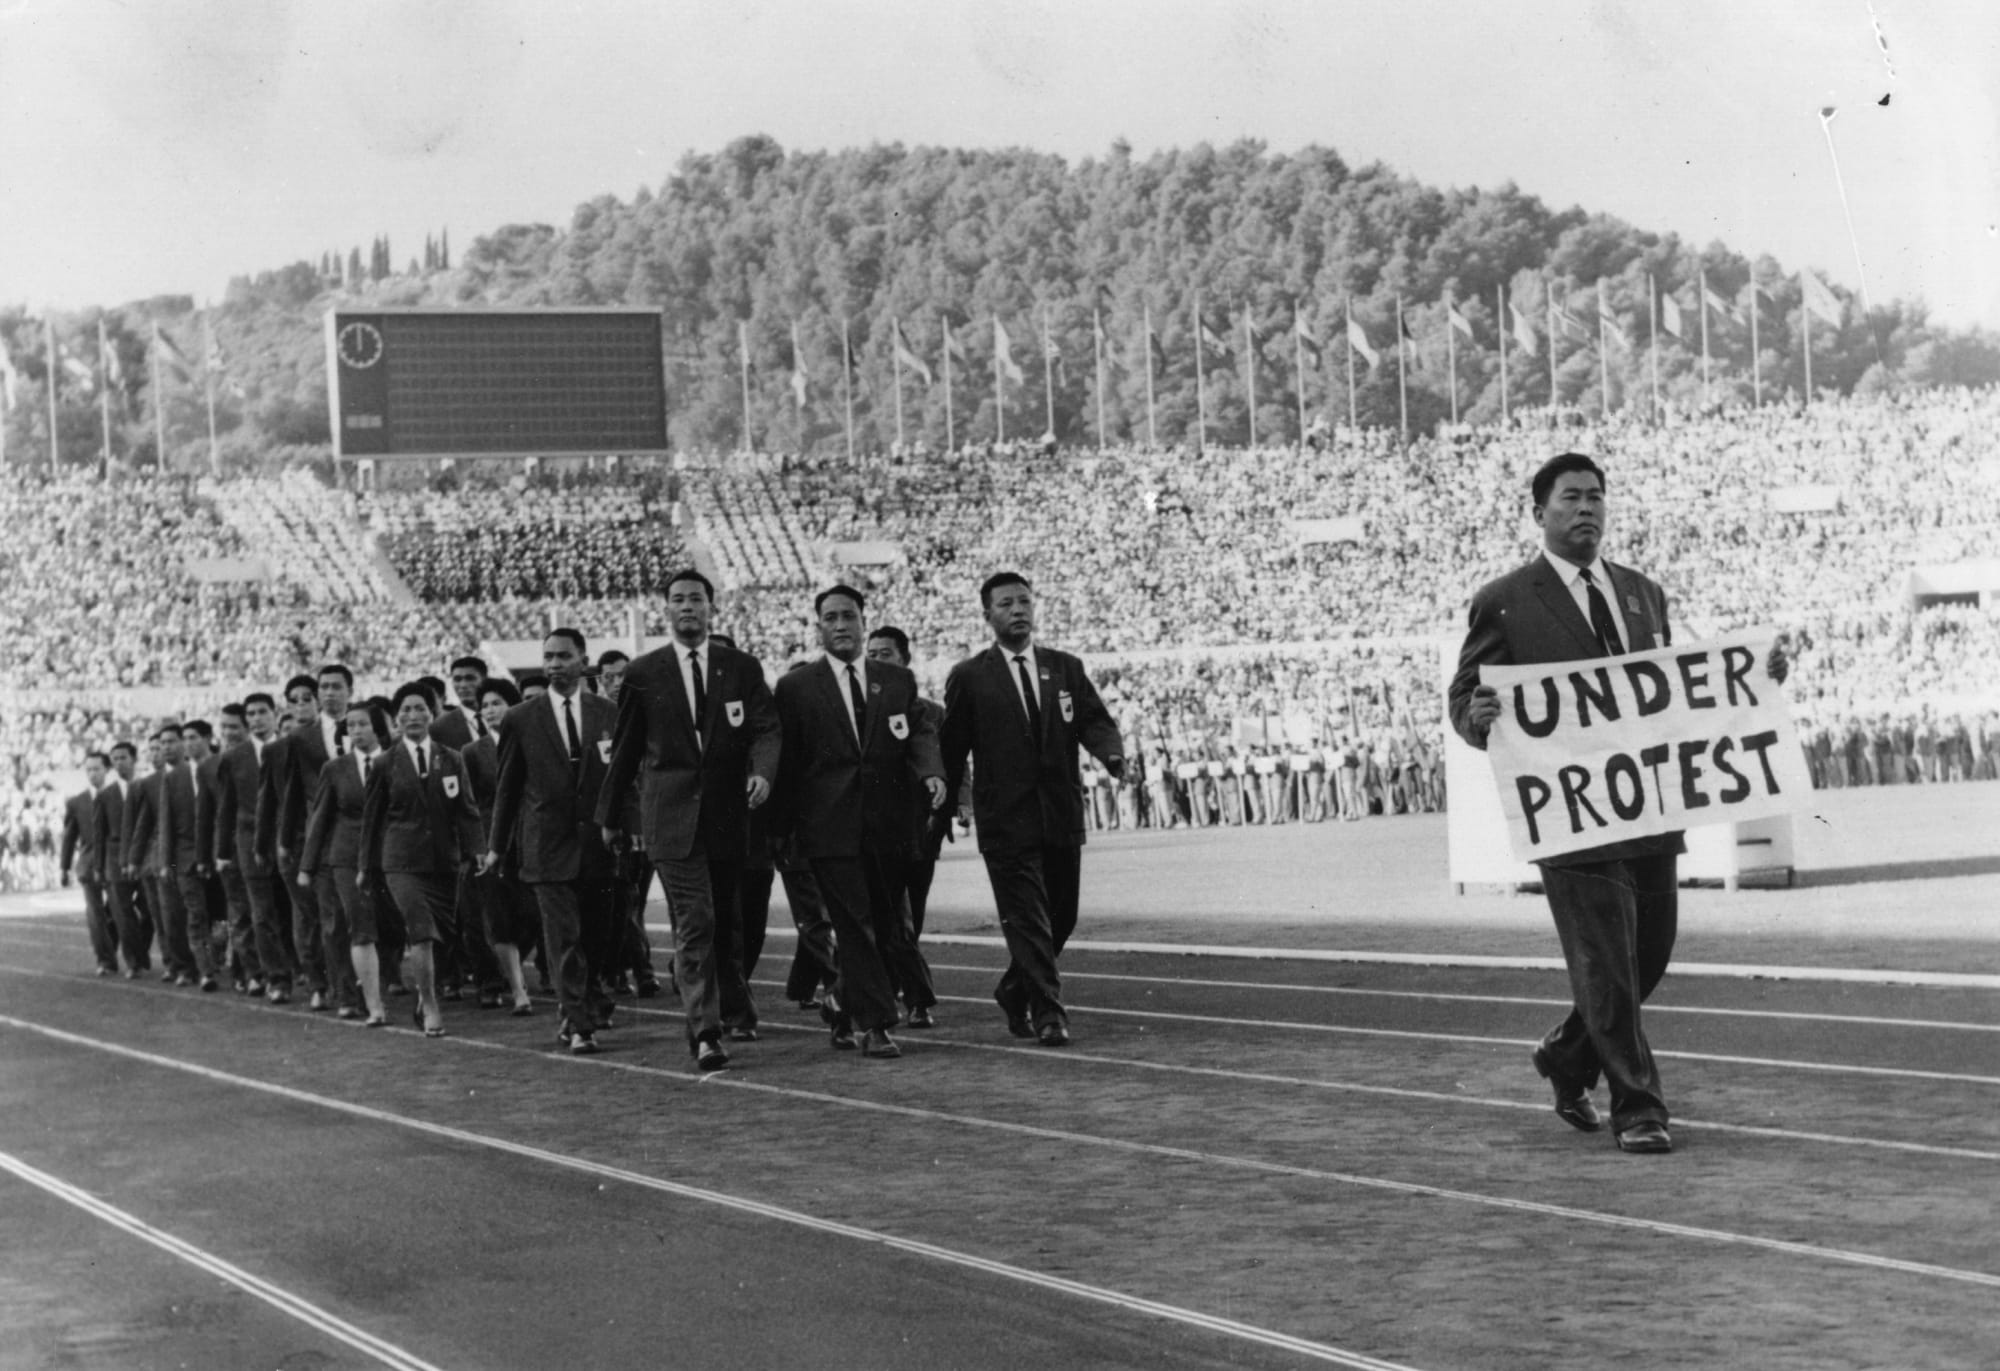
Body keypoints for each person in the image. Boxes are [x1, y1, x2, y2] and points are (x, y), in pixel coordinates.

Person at [1447, 452, 1784, 1157]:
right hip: (1571, 818)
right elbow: (1462, 702)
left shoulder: (1643, 593)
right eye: (1571, 497)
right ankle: (1637, 1107)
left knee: (1649, 951)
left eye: (1596, 496)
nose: (1587, 508)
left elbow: (1675, 692)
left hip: (1647, 809)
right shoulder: (1504, 600)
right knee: (1606, 960)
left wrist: (1752, 676)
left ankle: (1569, 1056)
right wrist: (1479, 716)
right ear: (1539, 511)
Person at [597, 569, 779, 1071]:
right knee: (696, 920)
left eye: (696, 599)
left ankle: (730, 1003)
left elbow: (766, 728)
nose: (687, 608)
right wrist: (610, 816)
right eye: (677, 600)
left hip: (726, 816)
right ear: (666, 610)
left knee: (725, 923)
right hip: (670, 817)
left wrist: (763, 773)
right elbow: (627, 749)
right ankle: (706, 1033)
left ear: (710, 606)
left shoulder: (739, 667)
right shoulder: (643, 672)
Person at [939, 571, 1125, 1047]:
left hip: (1060, 814)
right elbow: (952, 748)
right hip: (1006, 821)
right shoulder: (970, 676)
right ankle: (1048, 1013)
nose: (1018, 610)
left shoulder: (1064, 667)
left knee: (1062, 917)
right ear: (987, 615)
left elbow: (1093, 720)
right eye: (1006, 604)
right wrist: (948, 801)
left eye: (1024, 601)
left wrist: (1112, 755)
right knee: (1028, 920)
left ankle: (1013, 987)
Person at [775, 587, 945, 1059]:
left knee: (890, 927)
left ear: (863, 620)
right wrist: (783, 829)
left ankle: (840, 1002)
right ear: (818, 628)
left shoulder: (896, 680)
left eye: (849, 615)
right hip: (829, 828)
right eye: (831, 618)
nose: (841, 625)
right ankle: (876, 1025)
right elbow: (787, 762)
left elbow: (920, 732)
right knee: (854, 925)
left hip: (890, 825)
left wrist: (932, 773)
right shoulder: (796, 687)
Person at [486, 631, 631, 1054]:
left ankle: (581, 1006)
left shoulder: (609, 713)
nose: (554, 665)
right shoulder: (521, 717)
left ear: (582, 661)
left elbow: (623, 778)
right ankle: (581, 1022)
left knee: (598, 938)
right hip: (546, 847)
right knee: (563, 938)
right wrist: (497, 844)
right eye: (547, 657)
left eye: (563, 657)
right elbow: (508, 788)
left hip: (599, 845)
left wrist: (626, 826)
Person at [360, 681, 482, 1038]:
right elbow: (372, 820)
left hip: (445, 861)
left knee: (442, 936)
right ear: (396, 719)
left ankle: (425, 994)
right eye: (406, 710)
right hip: (401, 862)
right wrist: (366, 868)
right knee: (422, 933)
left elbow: (467, 811)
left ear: (432, 714)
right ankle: (430, 1005)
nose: (413, 716)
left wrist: (477, 851)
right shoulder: (384, 764)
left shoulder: (452, 758)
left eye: (420, 709)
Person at [864, 624, 947, 1023]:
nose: (877, 660)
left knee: (905, 917)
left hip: (917, 832)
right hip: (867, 830)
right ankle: (910, 997)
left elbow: (945, 761)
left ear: (905, 661)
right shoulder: (857, 707)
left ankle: (901, 994)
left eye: (886, 654)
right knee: (885, 918)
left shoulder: (928, 711)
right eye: (872, 653)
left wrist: (955, 801)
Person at [301, 700, 391, 1025]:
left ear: (378, 727)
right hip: (347, 857)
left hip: (392, 854)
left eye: (362, 724)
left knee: (395, 926)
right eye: (350, 726)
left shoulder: (396, 761)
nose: (356, 731)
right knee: (359, 927)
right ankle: (370, 1004)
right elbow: (321, 818)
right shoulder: (335, 769)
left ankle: (386, 987)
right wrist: (307, 866)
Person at [462, 677, 538, 1017]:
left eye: (497, 703)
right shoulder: (472, 753)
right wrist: (480, 845)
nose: (490, 710)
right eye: (486, 705)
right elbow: (468, 805)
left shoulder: (532, 744)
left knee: (532, 917)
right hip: (491, 847)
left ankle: (507, 973)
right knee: (498, 918)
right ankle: (517, 990)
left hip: (531, 841)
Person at [215, 692, 293, 1002]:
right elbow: (226, 809)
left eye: (263, 711)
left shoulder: (291, 748)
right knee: (261, 914)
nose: (257, 718)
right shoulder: (234, 758)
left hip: (287, 841)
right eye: (252, 713)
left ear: (276, 713)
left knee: (295, 912)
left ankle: (308, 974)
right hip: (249, 845)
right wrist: (223, 853)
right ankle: (276, 978)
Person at [92, 741, 150, 978]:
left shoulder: (148, 787)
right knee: (122, 913)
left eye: (123, 757)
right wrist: (98, 867)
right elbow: (98, 834)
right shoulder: (105, 795)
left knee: (151, 910)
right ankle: (133, 962)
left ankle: (141, 952)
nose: (118, 763)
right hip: (114, 858)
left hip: (146, 854)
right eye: (114, 759)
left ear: (134, 759)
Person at [61, 751, 115, 975]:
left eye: (97, 769)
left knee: (122, 912)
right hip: (89, 863)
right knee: (95, 914)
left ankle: (125, 953)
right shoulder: (76, 802)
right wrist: (63, 867)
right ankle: (104, 960)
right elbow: (69, 836)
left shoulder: (118, 795)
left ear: (107, 770)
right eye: (89, 770)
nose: (92, 774)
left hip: (116, 862)